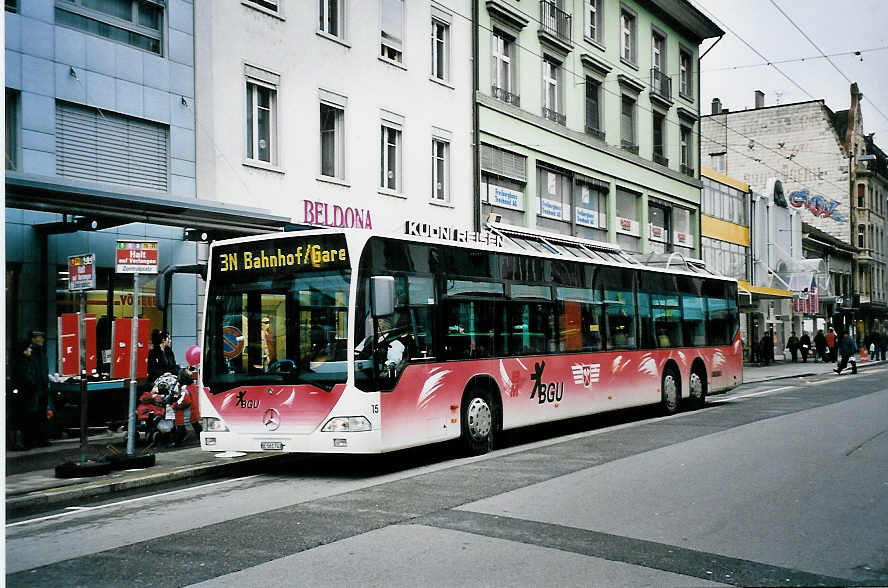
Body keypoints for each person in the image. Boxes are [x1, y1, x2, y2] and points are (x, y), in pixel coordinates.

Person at [24, 330, 53, 448]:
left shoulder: (40, 353)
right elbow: (29, 371)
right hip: (35, 389)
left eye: (42, 337)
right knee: (34, 414)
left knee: (40, 414)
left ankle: (39, 439)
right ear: (32, 339)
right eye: (38, 337)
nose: (41, 340)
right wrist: (33, 383)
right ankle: (34, 440)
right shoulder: (31, 353)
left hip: (40, 388)